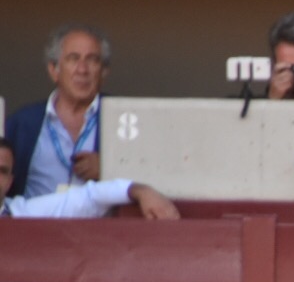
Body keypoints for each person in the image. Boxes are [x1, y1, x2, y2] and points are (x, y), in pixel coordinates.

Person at [4, 23, 179, 220]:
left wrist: (108, 168)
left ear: (104, 72)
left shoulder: (126, 120)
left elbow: (157, 173)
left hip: (101, 237)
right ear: (54, 70)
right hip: (32, 233)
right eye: (73, 59)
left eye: (92, 60)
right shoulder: (22, 123)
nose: (82, 69)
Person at [0, 137, 178, 219]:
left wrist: (140, 191)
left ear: (10, 181)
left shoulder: (21, 213)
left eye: (2, 171)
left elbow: (90, 197)